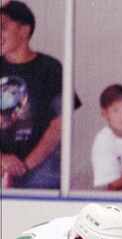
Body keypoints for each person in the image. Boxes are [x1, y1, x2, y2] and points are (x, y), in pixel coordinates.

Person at [0, 0, 81, 189]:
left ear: (24, 30)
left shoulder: (50, 68)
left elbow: (60, 124)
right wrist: (3, 160)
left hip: (41, 170)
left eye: (2, 27)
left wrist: (26, 165)